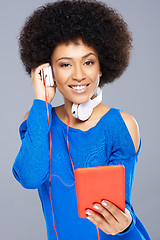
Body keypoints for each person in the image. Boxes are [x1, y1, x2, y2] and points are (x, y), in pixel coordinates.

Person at [12, 0, 151, 239]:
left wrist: (125, 225)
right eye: (65, 64)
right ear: (48, 71)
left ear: (101, 67)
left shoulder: (121, 125)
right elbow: (29, 177)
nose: (78, 75)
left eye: (88, 62)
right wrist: (41, 101)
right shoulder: (38, 119)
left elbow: (120, 207)